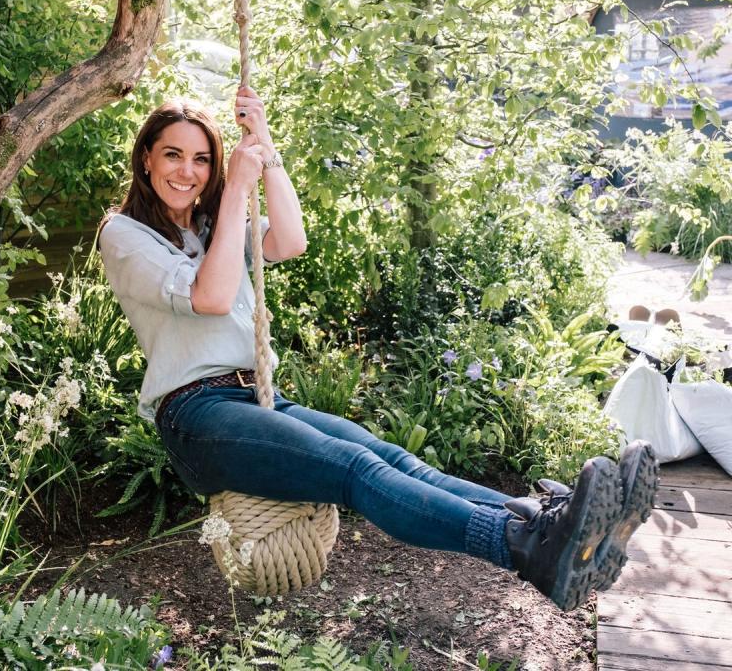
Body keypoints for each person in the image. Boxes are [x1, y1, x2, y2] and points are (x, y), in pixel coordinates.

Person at [97, 87, 657, 611]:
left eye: (201, 160)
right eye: (173, 155)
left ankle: (548, 522)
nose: (188, 171)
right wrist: (236, 189)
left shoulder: (208, 227)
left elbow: (290, 241)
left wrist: (265, 152)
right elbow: (213, 297)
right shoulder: (123, 235)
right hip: (198, 415)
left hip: (255, 398)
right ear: (145, 158)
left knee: (393, 458)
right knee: (355, 469)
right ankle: (523, 547)